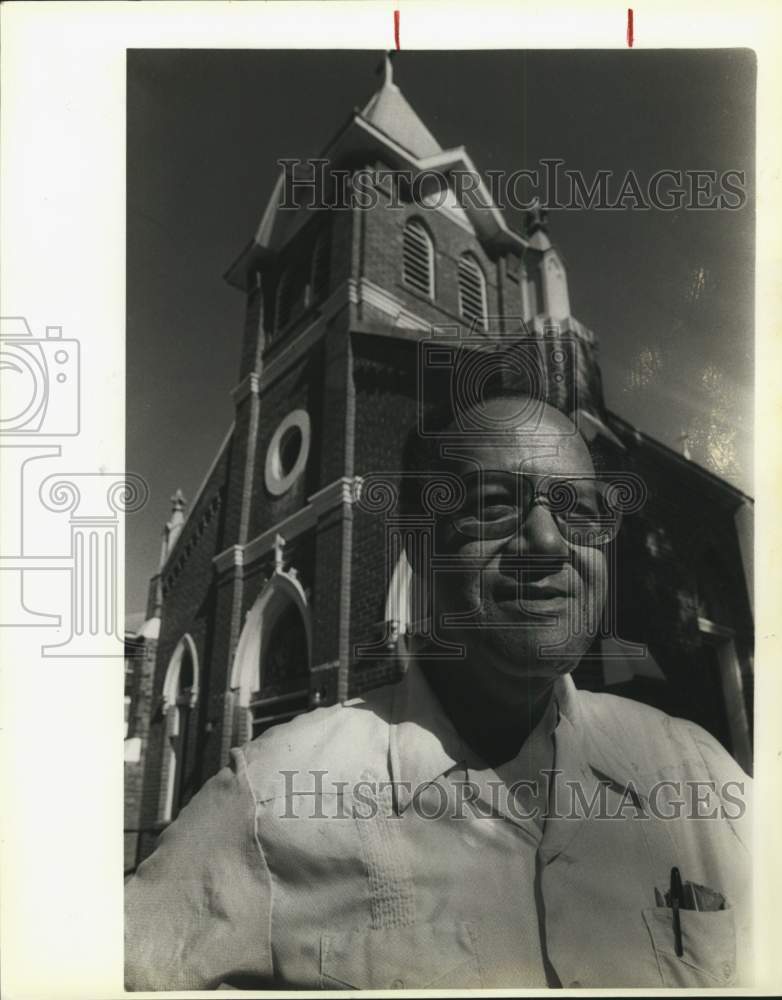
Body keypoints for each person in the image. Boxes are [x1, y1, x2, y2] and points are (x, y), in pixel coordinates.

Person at [125, 393, 751, 991]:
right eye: (494, 505)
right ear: (420, 548)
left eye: (579, 511)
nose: (547, 543)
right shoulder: (271, 798)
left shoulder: (692, 771)